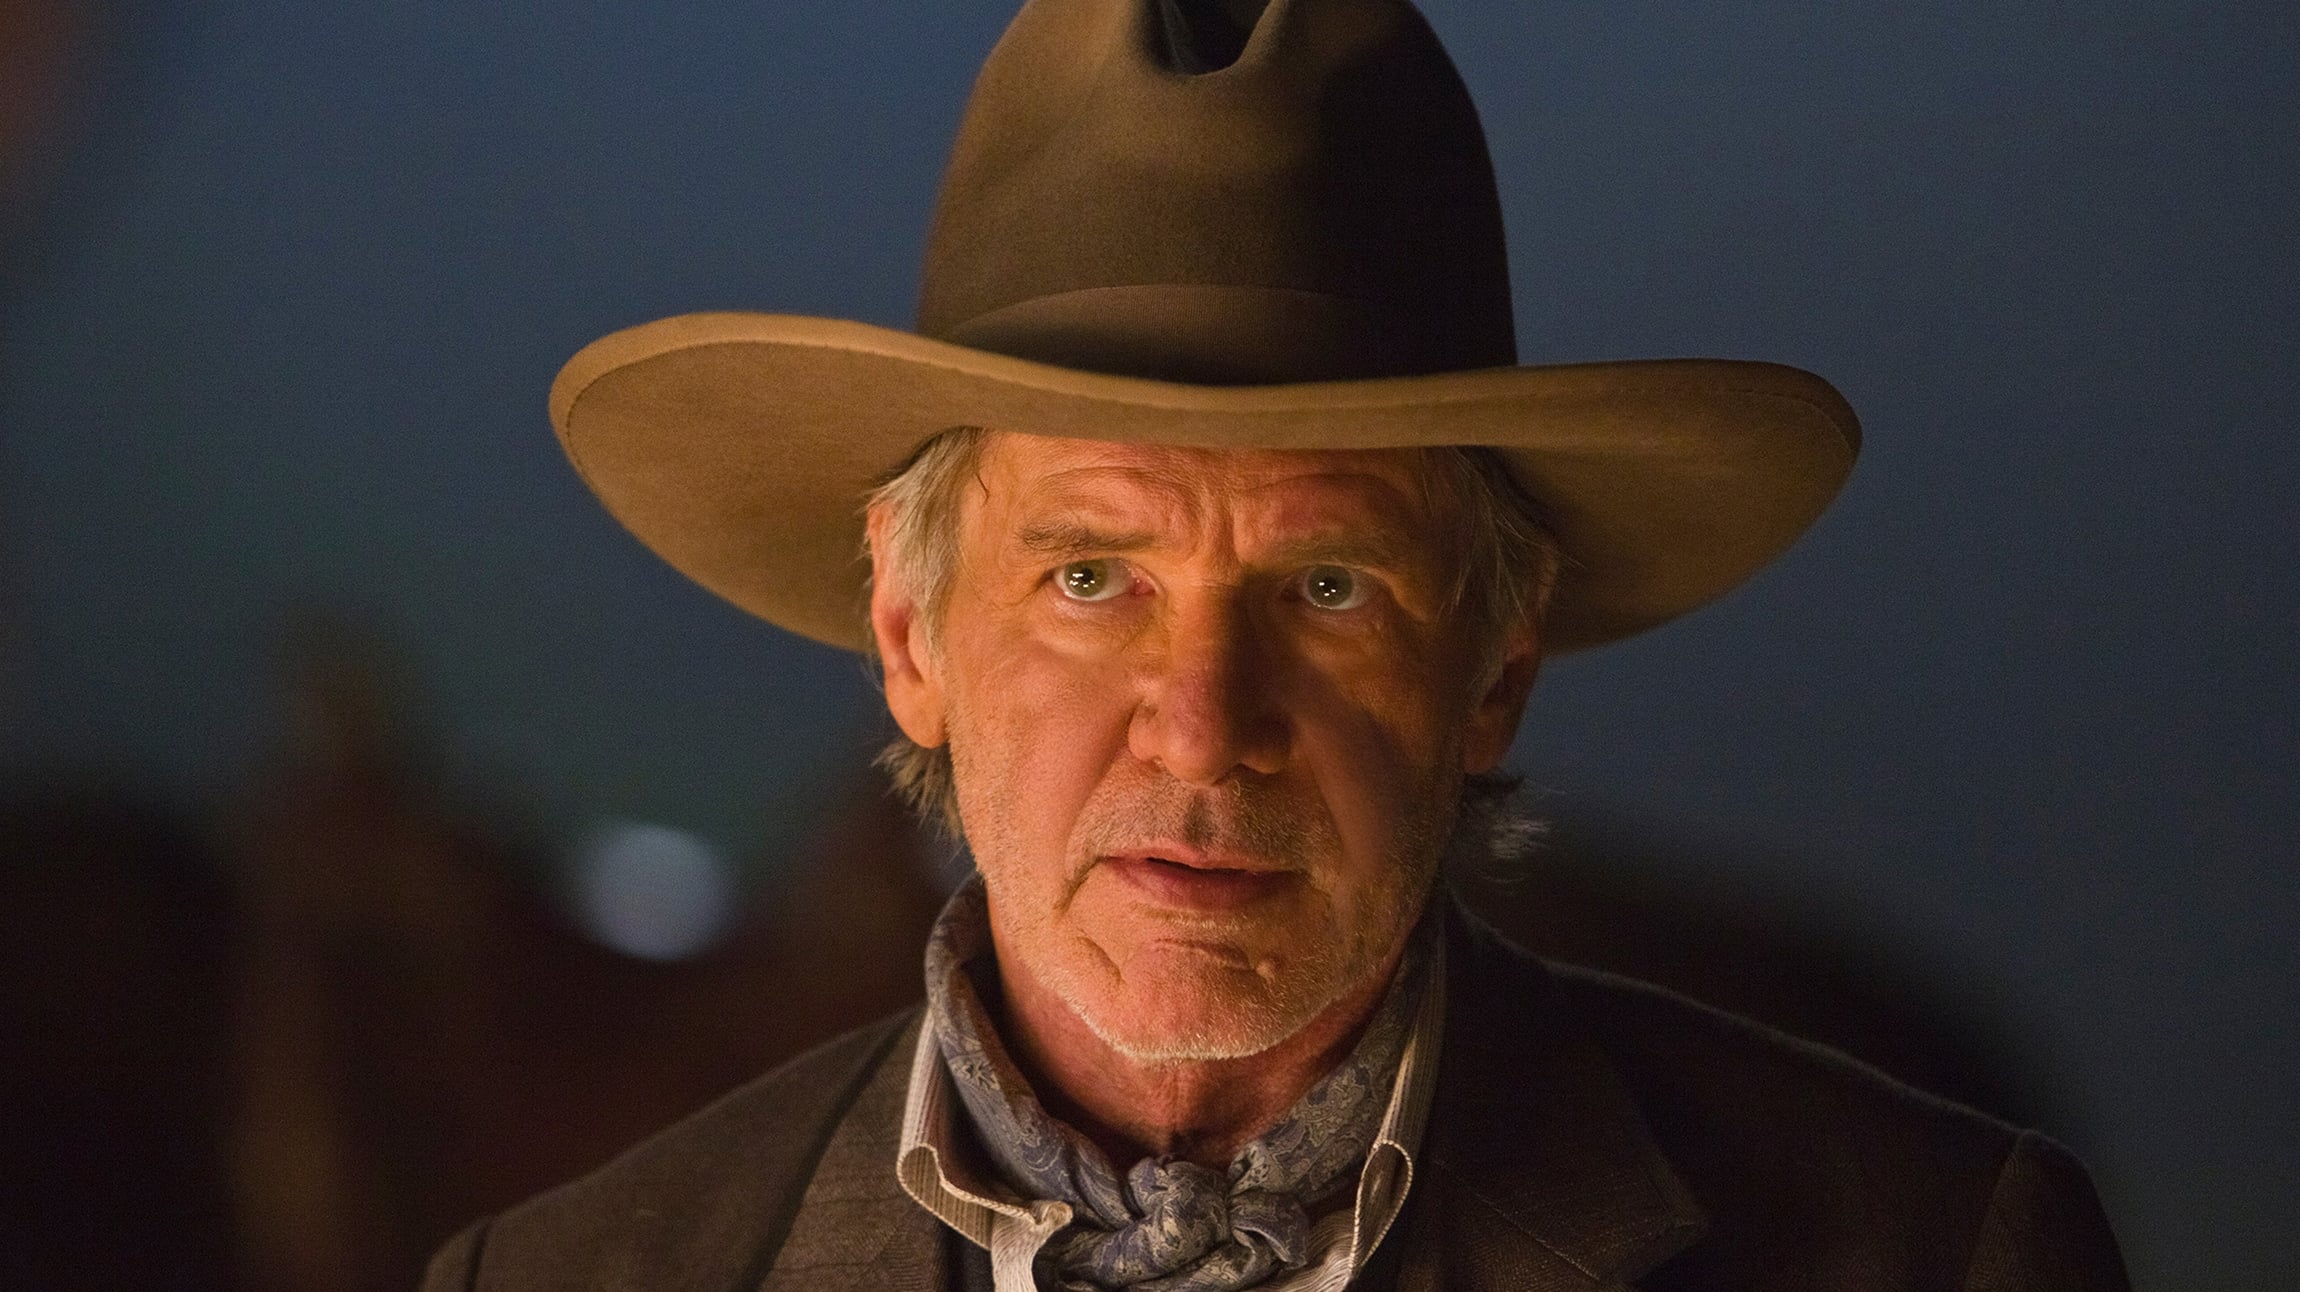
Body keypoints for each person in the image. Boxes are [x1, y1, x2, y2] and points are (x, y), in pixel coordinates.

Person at [425, 0, 2129, 1287]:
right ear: (908, 628)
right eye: (1090, 577)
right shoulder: (561, 1280)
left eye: (1328, 588)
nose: (1200, 724)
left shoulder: (1934, 1253)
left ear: (1496, 665)